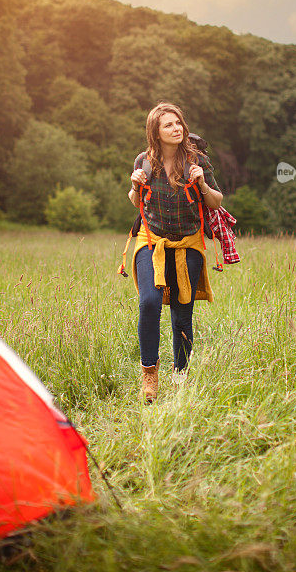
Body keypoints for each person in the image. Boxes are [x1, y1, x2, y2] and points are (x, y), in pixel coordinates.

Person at [128, 102, 223, 402]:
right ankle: (150, 376)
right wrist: (133, 187)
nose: (177, 128)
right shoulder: (143, 161)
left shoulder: (197, 162)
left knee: (182, 314)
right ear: (155, 131)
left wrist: (202, 184)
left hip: (188, 243)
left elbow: (216, 202)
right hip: (151, 240)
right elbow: (136, 201)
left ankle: (181, 376)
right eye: (168, 125)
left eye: (179, 123)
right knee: (149, 303)